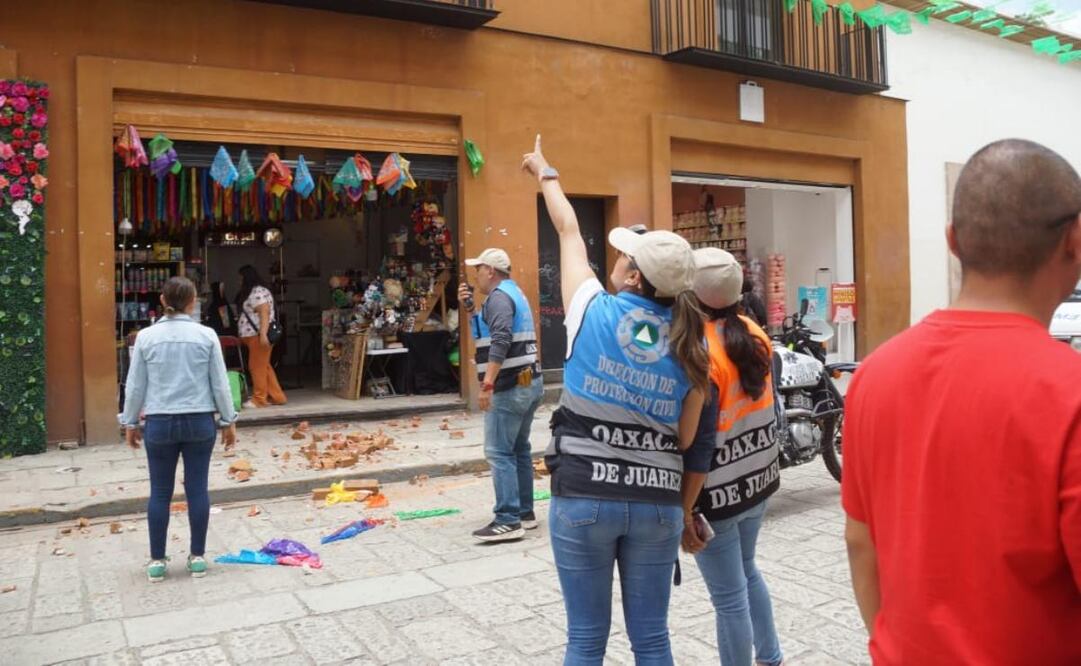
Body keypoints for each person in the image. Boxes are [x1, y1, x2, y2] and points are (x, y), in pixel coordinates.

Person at [842, 139, 1081, 664]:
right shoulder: (1071, 392)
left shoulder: (873, 376)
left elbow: (862, 545)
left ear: (953, 241)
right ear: (1075, 241)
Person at [523, 135, 711, 664]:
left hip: (584, 493)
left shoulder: (591, 308)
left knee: (586, 639)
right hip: (656, 503)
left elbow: (567, 230)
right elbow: (688, 438)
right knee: (651, 638)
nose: (619, 256)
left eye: (627, 255)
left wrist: (545, 170)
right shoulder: (691, 345)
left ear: (634, 276)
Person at [681, 248, 783, 666]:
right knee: (747, 570)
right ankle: (771, 656)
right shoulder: (753, 332)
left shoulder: (700, 351)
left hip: (718, 494)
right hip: (758, 480)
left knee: (728, 599)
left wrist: (685, 511)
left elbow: (701, 444)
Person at [119, 276, 238, 582]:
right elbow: (220, 383)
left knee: (159, 492)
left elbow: (135, 387)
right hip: (200, 421)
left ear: (162, 301)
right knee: (197, 489)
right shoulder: (207, 335)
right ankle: (197, 558)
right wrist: (228, 420)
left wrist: (130, 422)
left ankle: (157, 561)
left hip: (159, 422)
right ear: (193, 301)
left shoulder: (145, 337)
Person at [459, 247, 545, 542]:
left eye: (478, 270)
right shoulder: (512, 293)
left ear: (490, 272)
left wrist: (487, 385)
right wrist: (470, 309)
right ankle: (524, 513)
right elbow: (490, 331)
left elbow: (501, 340)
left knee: (499, 452)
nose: (475, 275)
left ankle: (507, 519)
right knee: (519, 449)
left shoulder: (498, 298)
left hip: (510, 387)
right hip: (529, 383)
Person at [236, 265, 286, 408]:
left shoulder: (257, 292)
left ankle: (259, 399)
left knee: (256, 366)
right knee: (264, 366)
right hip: (255, 336)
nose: (239, 280)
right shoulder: (258, 291)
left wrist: (263, 334)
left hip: (257, 336)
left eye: (240, 277)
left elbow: (264, 313)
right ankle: (278, 396)